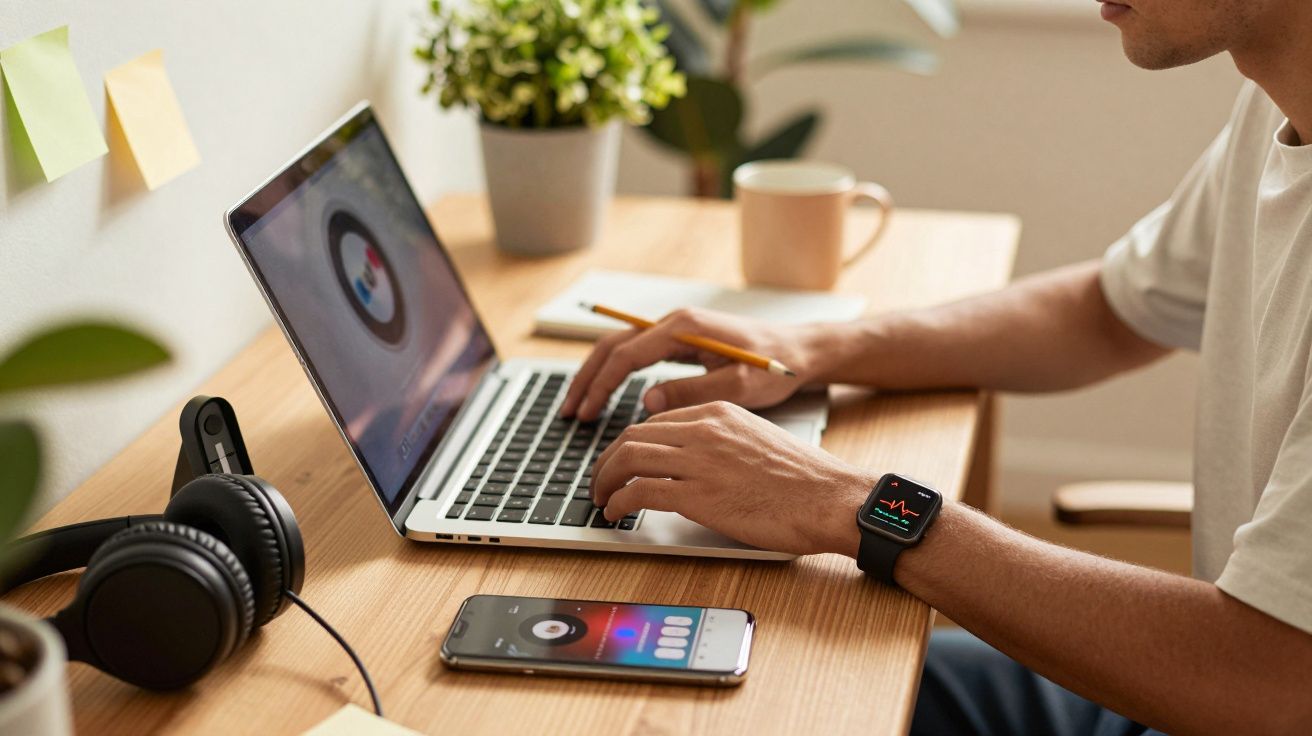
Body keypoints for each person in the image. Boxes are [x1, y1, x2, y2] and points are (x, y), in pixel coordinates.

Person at [560, 0, 1312, 732]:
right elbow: (1108, 311)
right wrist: (817, 349)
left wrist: (851, 504)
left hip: (1227, 687)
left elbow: (1268, 682)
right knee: (781, 681)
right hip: (1195, 691)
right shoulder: (1273, 103)